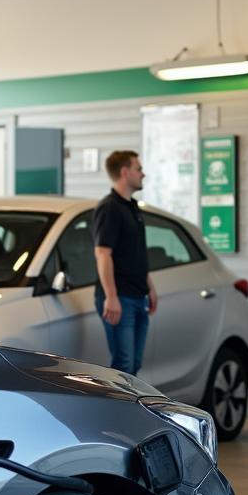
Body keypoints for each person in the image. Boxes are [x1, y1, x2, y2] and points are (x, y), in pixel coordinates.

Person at [93, 150, 158, 375]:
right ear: (124, 172)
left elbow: (135, 253)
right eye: (138, 169)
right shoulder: (110, 208)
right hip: (120, 298)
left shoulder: (132, 208)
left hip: (137, 295)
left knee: (135, 366)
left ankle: (130, 410)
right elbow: (103, 253)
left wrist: (149, 286)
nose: (143, 174)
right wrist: (111, 296)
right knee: (124, 366)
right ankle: (116, 411)